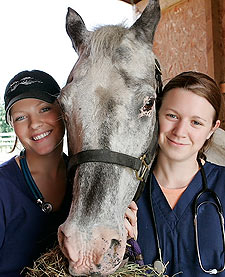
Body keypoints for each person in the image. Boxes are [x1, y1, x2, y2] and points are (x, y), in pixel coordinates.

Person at [0, 69, 137, 276]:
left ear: (64, 111)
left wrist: (125, 237)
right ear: (12, 125)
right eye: (20, 117)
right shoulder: (4, 187)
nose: (35, 123)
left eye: (45, 109)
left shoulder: (87, 179)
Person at [137, 71, 225, 276]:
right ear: (157, 115)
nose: (180, 131)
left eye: (196, 122)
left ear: (212, 129)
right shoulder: (130, 191)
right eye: (172, 116)